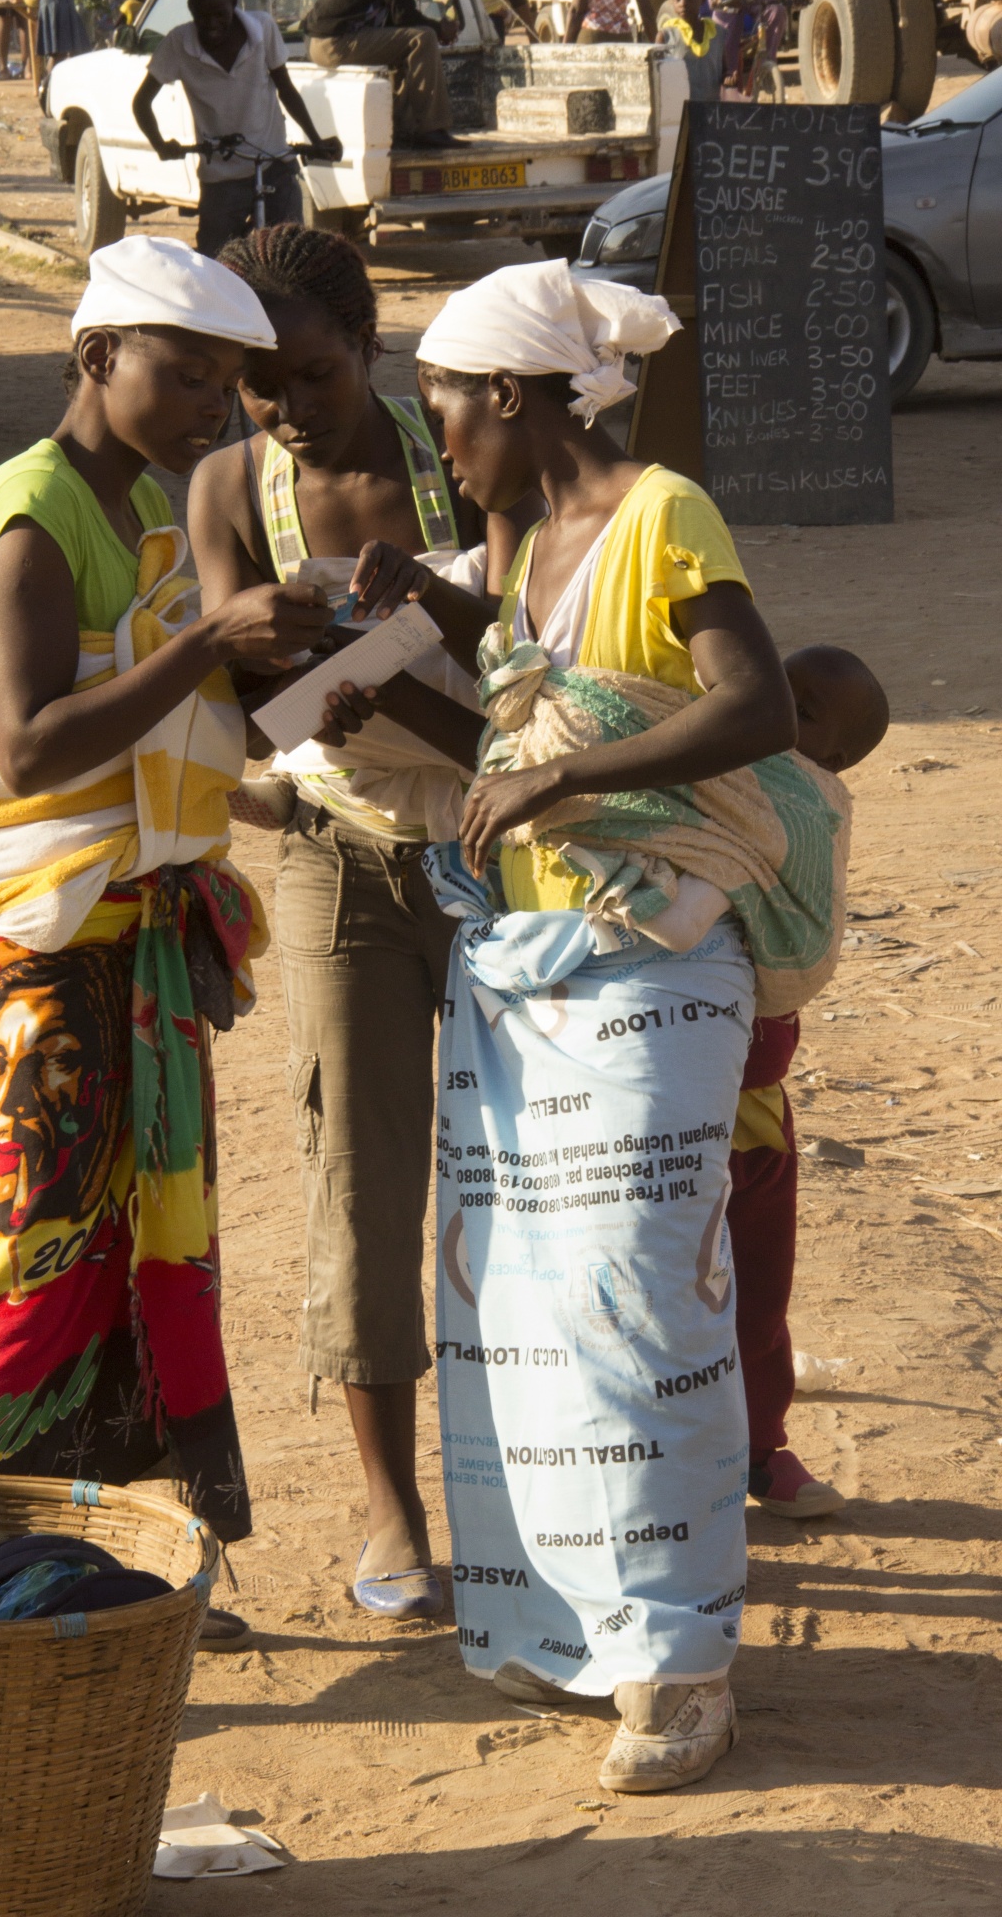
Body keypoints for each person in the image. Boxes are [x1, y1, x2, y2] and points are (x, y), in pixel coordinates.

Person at [410, 259, 857, 1793]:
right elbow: (514, 738)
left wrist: (570, 781)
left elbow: (755, 712)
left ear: (519, 395)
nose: (441, 436)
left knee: (638, 1306)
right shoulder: (520, 543)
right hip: (535, 965)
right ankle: (572, 1628)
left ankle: (683, 1668)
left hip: (657, 967)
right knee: (520, 1314)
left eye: (451, 406)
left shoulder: (664, 513)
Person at [0, 234, 333, 1644]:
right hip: (44, 957)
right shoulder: (33, 511)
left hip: (136, 941)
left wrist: (301, 700)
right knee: (48, 1247)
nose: (211, 406)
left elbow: (176, 725)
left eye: (228, 382)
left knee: (142, 1253)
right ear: (94, 358)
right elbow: (30, 746)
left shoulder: (142, 510)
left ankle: (119, 1581)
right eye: (187, 374)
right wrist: (209, 642)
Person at [190, 223, 516, 1621]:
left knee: (530, 1173)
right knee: (363, 1184)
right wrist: (345, 667)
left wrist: (373, 663)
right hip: (339, 862)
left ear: (369, 349)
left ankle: (543, 1481)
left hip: (502, 849)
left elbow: (523, 690)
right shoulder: (228, 487)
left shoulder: (459, 451)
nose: (285, 409)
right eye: (255, 384)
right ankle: (394, 1515)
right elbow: (234, 694)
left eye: (311, 376)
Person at [731, 644, 888, 1520]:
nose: (780, 707)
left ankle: (761, 1450)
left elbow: (798, 943)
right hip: (655, 1087)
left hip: (750, 1110)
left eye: (806, 708)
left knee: (758, 1297)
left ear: (831, 762)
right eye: (777, 685)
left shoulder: (811, 813)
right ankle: (688, 1468)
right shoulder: (710, 767)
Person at [134, 0, 339, 259]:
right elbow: (141, 103)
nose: (212, 24)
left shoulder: (263, 29)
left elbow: (286, 89)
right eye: (203, 17)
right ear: (191, 10)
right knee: (215, 262)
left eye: (220, 14)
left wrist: (316, 140)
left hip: (274, 161)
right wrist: (160, 144)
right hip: (221, 174)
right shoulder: (178, 44)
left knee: (292, 254)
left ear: (234, 5)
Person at [302, 0, 463, 153]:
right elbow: (403, 16)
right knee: (423, 38)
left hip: (320, 41)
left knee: (404, 41)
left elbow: (396, 19)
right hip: (332, 42)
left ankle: (402, 128)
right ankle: (430, 128)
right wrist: (440, 29)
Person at [656, 0, 725, 98]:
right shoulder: (665, 37)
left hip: (711, 110)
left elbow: (725, 70)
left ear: (702, 0)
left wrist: (729, 77)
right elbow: (657, 77)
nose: (683, 3)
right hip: (678, 110)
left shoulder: (716, 34)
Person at [563, 0, 633, 43]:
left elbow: (576, 10)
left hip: (592, 35)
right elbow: (644, 8)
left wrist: (565, 47)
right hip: (622, 36)